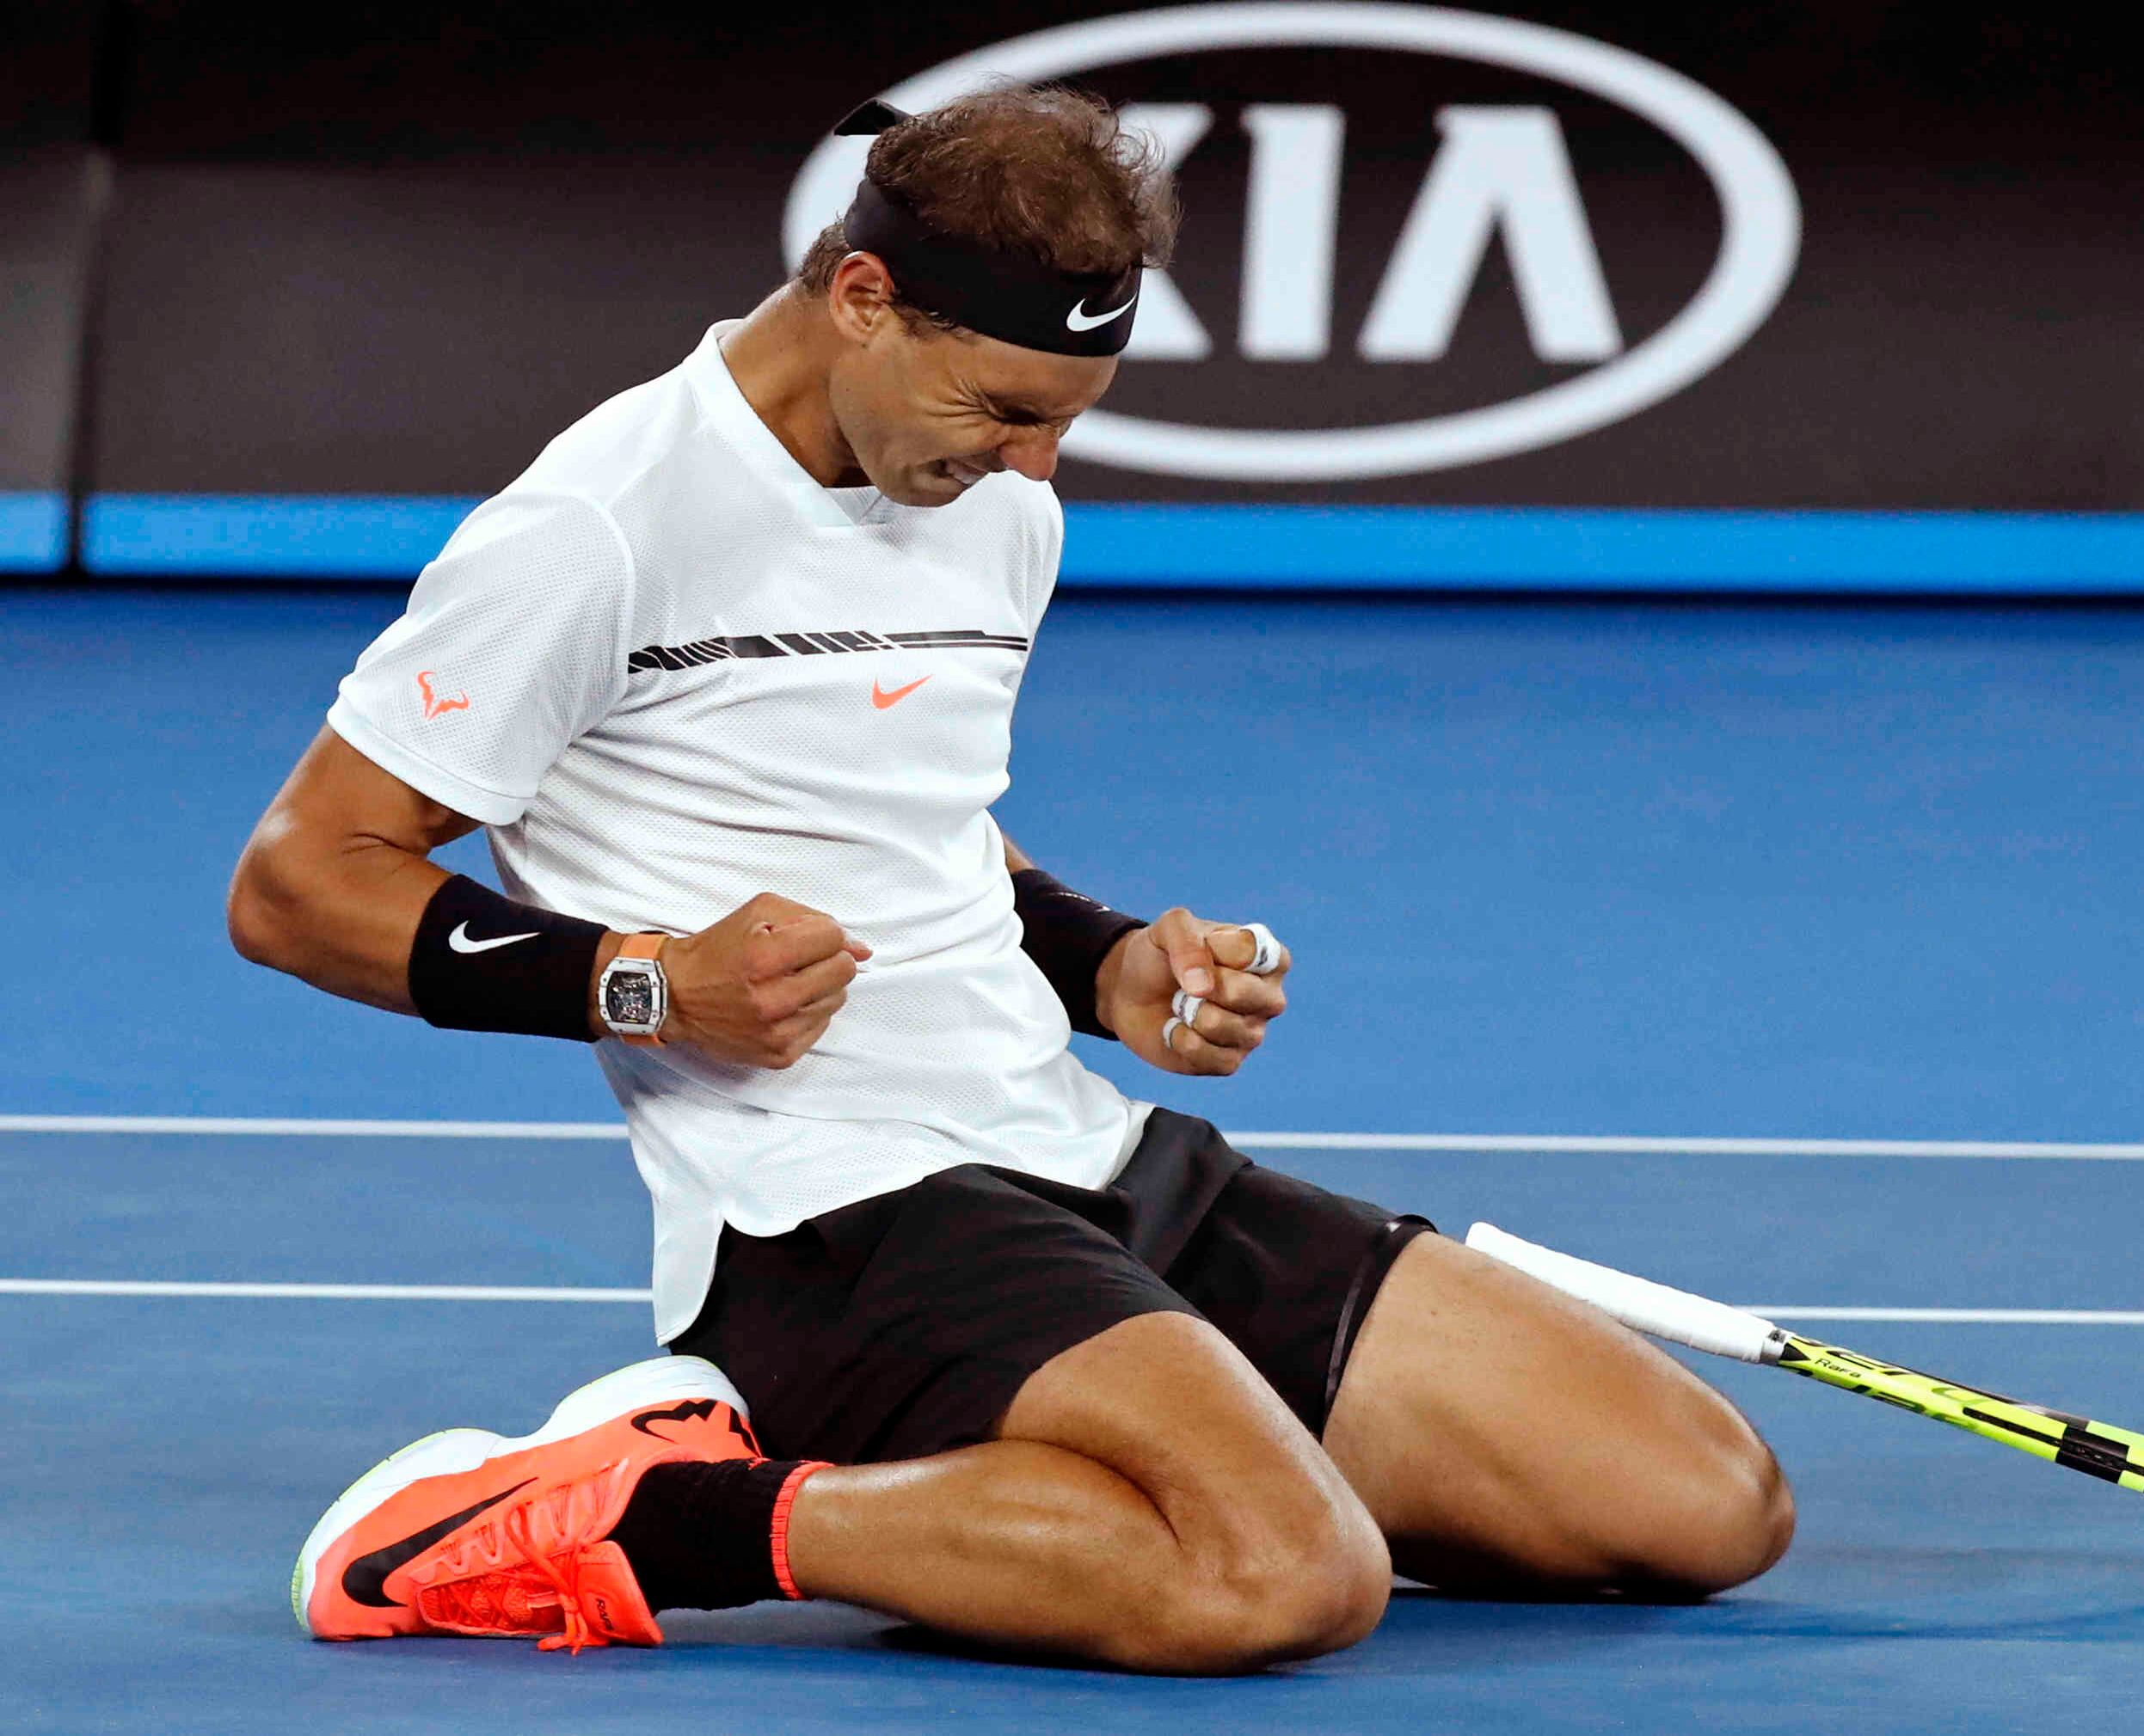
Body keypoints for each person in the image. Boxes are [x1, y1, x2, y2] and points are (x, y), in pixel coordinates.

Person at [228, 86, 1792, 1673]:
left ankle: (1079, 1496)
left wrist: (1105, 964)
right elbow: (297, 882)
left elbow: (919, 822)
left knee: (1700, 1504)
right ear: (862, 298)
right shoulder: (600, 527)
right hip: (827, 1217)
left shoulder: (989, 497)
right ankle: (640, 1514)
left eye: (1068, 419)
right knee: (1284, 1578)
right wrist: (643, 984)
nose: (1034, 462)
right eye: (1003, 408)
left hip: (1071, 1151)